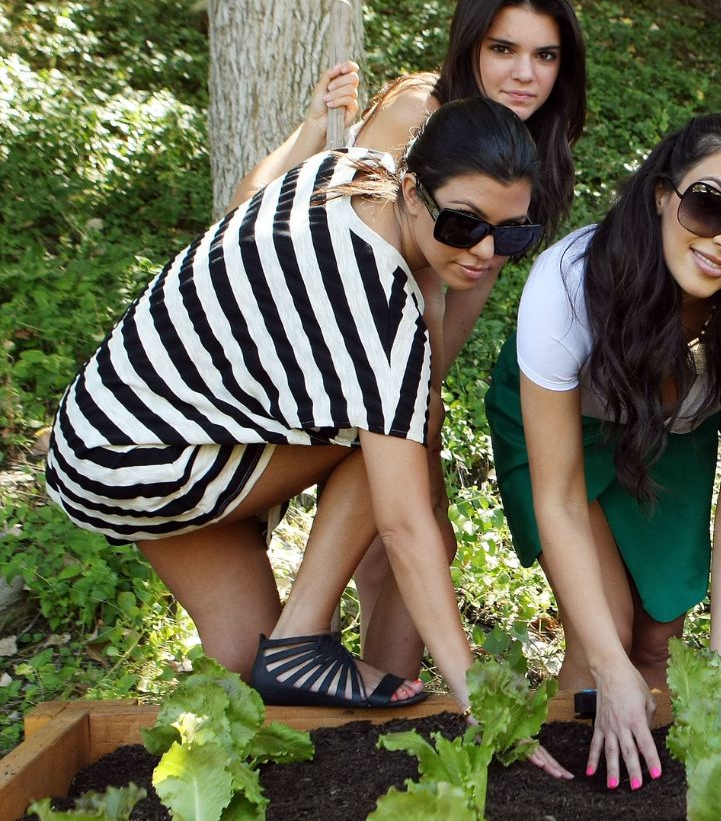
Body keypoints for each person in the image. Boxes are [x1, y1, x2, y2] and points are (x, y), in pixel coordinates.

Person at [44, 97, 540, 716]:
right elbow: (403, 525)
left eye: (513, 232)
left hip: (102, 436)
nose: (486, 252)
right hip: (141, 456)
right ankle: (303, 635)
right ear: (413, 191)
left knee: (251, 679)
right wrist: (471, 687)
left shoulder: (349, 170)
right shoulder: (381, 313)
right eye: (463, 225)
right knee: (407, 424)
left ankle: (286, 654)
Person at [229, 0, 587, 674]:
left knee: (422, 547)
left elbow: (464, 297)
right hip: (322, 364)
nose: (525, 73)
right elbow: (268, 220)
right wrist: (310, 127)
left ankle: (387, 712)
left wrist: (425, 408)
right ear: (470, 47)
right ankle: (310, 648)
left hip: (396, 374)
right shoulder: (418, 115)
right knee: (399, 537)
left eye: (545, 55)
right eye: (503, 49)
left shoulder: (524, 157)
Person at [484, 114, 721, 791]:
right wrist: (607, 662)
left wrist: (719, 681)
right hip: (557, 431)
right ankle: (563, 788)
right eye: (709, 206)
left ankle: (643, 780)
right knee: (607, 637)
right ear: (663, 193)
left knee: (657, 643)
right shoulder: (567, 283)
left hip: (671, 440)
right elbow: (561, 497)